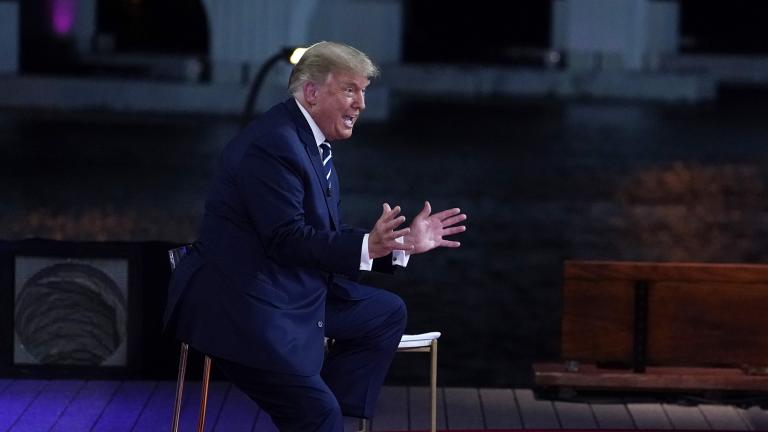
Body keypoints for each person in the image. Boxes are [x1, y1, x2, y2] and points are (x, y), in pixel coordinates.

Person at [163, 41, 467, 431]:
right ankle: (316, 411)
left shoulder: (308, 143)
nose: (361, 104)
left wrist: (398, 244)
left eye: (363, 92)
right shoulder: (274, 145)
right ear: (311, 92)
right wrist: (366, 245)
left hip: (287, 286)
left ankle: (320, 411)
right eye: (349, 90)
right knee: (317, 412)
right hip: (245, 304)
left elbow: (317, 237)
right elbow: (286, 239)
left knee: (385, 314)